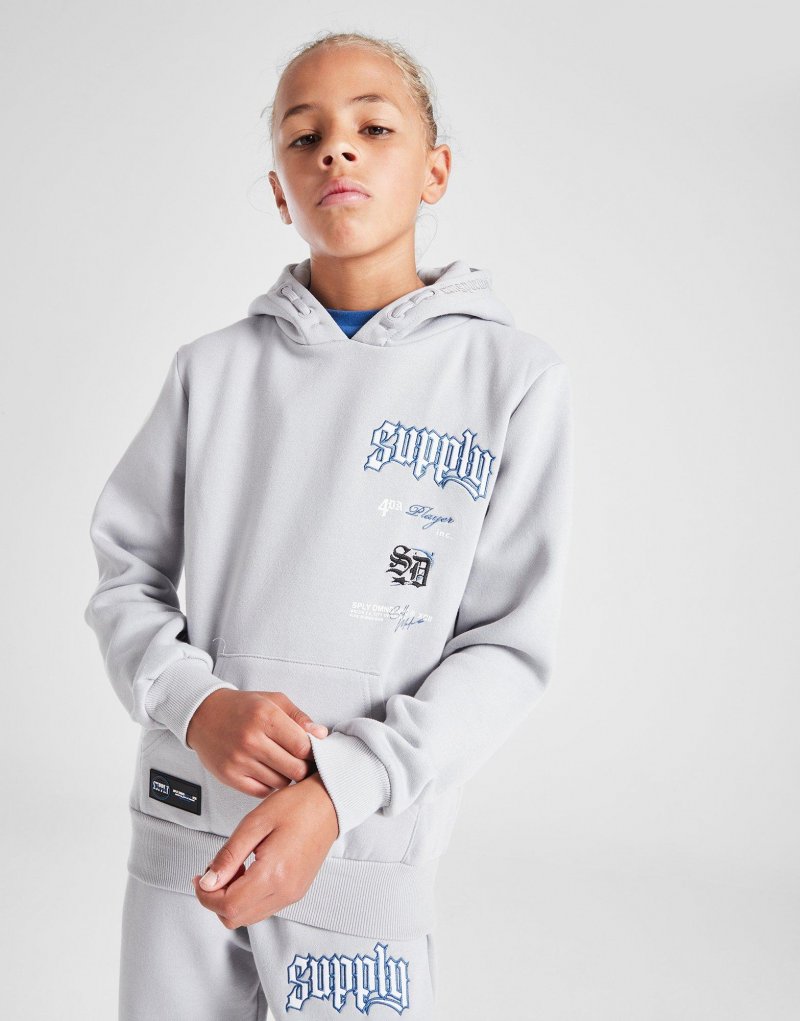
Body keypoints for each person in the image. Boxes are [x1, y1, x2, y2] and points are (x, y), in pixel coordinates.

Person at [84, 29, 575, 1020]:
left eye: (373, 127)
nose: (335, 150)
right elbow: (125, 573)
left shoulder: (510, 380)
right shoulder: (210, 371)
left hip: (361, 848)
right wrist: (196, 705)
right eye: (303, 136)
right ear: (280, 190)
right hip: (185, 835)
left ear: (434, 170)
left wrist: (341, 787)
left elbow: (506, 647)